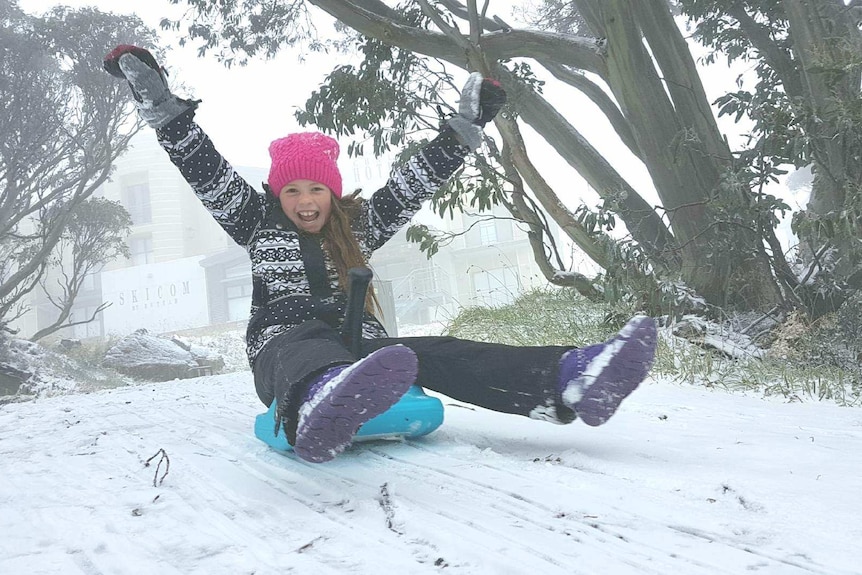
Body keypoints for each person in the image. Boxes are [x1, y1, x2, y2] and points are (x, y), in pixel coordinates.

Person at [104, 45, 658, 464]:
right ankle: (320, 401)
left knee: (437, 350)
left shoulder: (357, 229)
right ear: (277, 194)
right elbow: (205, 169)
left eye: (315, 189)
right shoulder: (253, 220)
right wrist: (163, 110)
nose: (303, 200)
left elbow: (412, 184)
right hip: (284, 350)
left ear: (332, 192)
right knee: (303, 342)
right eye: (291, 190)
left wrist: (464, 129)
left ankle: (571, 377)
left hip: (362, 349)